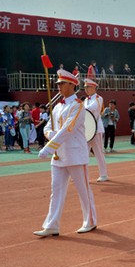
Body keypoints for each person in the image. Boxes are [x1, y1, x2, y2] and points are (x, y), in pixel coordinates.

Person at [34, 69, 97, 237]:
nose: (59, 86)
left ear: (72, 85)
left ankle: (90, 221)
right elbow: (48, 127)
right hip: (59, 155)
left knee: (83, 190)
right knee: (56, 190)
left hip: (75, 155)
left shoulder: (77, 105)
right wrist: (50, 135)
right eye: (58, 83)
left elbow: (68, 129)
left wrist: (49, 147)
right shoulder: (57, 107)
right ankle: (52, 225)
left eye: (62, 83)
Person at [84, 78, 110, 182]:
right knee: (84, 153)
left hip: (96, 129)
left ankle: (104, 174)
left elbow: (92, 108)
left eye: (88, 87)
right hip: (87, 129)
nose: (86, 89)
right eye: (85, 87)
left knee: (98, 152)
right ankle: (83, 175)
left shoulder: (99, 98)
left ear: (94, 88)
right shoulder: (86, 100)